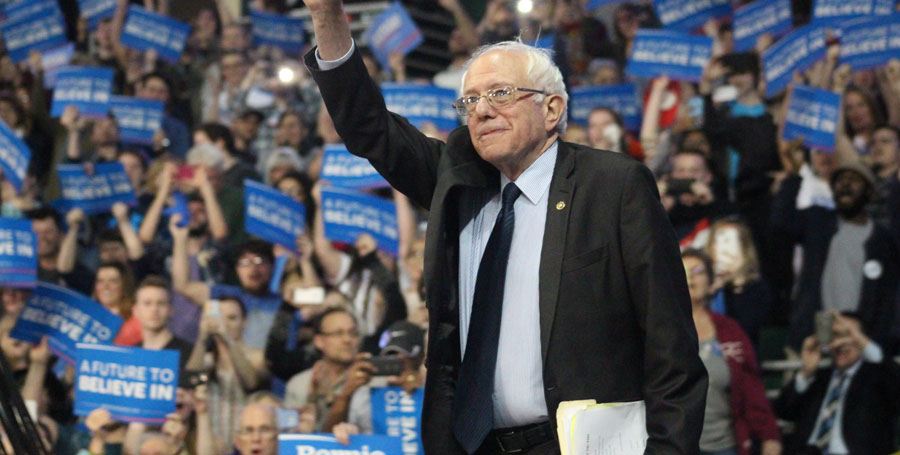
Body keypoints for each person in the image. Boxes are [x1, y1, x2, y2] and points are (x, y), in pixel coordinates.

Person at [302, 1, 708, 453]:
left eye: (500, 94)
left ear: (552, 109)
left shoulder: (613, 187)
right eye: (470, 100)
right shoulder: (456, 181)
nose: (480, 111)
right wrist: (327, 18)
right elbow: (368, 128)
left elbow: (671, 345)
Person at [772, 161, 900, 351]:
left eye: (855, 180)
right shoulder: (817, 221)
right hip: (811, 342)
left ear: (870, 193)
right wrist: (793, 175)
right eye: (840, 180)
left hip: (858, 347)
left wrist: (876, 341)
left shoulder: (881, 240)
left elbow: (887, 297)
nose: (846, 184)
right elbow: (780, 224)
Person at [682, 250, 781, 455]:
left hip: (723, 447)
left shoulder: (729, 330)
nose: (690, 276)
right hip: (673, 447)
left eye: (697, 271)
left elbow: (751, 387)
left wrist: (769, 436)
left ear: (711, 282)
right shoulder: (657, 331)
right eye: (683, 270)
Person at [773, 312, 900, 455]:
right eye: (835, 336)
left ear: (862, 340)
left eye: (848, 336)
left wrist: (860, 340)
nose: (841, 344)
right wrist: (805, 373)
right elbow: (783, 412)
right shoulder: (820, 378)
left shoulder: (877, 376)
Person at [283, 308, 375, 432]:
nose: (347, 340)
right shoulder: (299, 384)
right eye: (338, 333)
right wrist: (312, 399)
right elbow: (291, 438)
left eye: (353, 333)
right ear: (319, 341)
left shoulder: (375, 381)